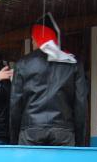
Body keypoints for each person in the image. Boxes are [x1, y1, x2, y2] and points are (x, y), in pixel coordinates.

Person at [10, 13, 88, 146]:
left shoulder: (22, 64)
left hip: (30, 131)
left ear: (36, 38)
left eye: (33, 40)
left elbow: (15, 104)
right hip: (64, 131)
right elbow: (81, 105)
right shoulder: (73, 63)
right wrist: (81, 141)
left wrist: (14, 138)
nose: (33, 43)